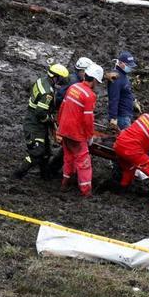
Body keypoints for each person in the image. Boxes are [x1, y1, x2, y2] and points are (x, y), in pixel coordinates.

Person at [12, 63, 69, 180]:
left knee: (46, 152)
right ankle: (18, 174)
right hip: (34, 124)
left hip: (36, 121)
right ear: (56, 77)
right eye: (61, 78)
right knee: (37, 152)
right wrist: (50, 120)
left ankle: (45, 175)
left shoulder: (42, 80)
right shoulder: (48, 93)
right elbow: (40, 113)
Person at [56, 63, 102, 197]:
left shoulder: (73, 87)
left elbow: (63, 107)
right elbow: (88, 120)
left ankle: (65, 183)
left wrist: (60, 127)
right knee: (84, 162)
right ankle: (86, 191)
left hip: (64, 129)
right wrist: (90, 136)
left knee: (68, 157)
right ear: (93, 80)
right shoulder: (89, 95)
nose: (97, 85)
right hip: (76, 134)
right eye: (97, 82)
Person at [107, 51, 140, 131]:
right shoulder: (116, 77)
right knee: (126, 140)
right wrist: (113, 118)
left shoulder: (123, 75)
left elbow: (126, 91)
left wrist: (133, 101)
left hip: (126, 113)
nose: (130, 68)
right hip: (121, 116)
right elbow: (114, 98)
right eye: (129, 66)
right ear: (121, 63)